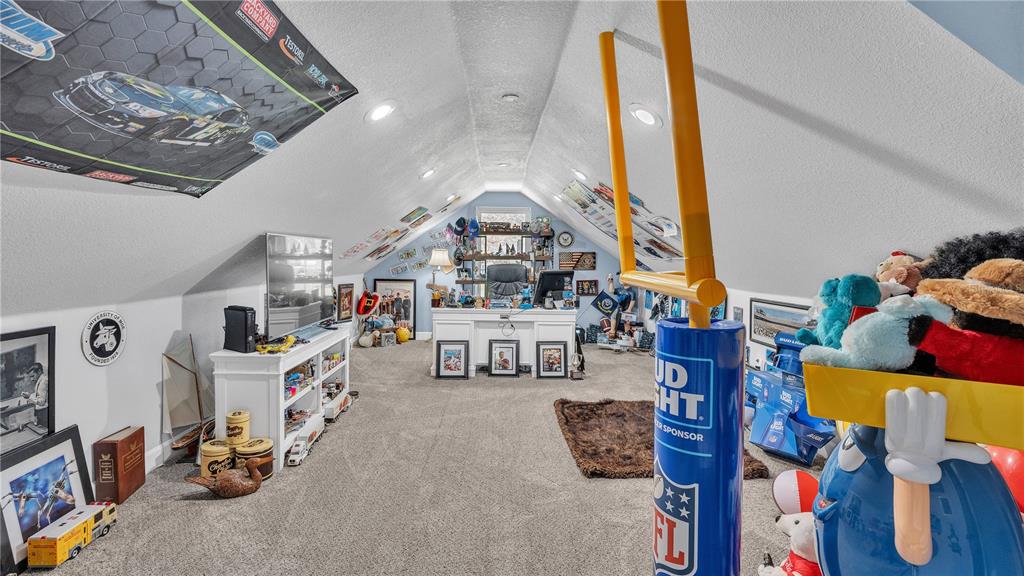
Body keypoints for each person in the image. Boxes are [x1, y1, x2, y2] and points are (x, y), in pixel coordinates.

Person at [603, 273, 638, 341]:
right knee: (613, 316)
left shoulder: (632, 292)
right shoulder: (619, 289)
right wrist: (611, 282)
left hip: (626, 309)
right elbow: (611, 290)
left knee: (626, 322)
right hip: (619, 307)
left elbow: (633, 300)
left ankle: (627, 335)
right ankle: (612, 331)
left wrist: (629, 309)